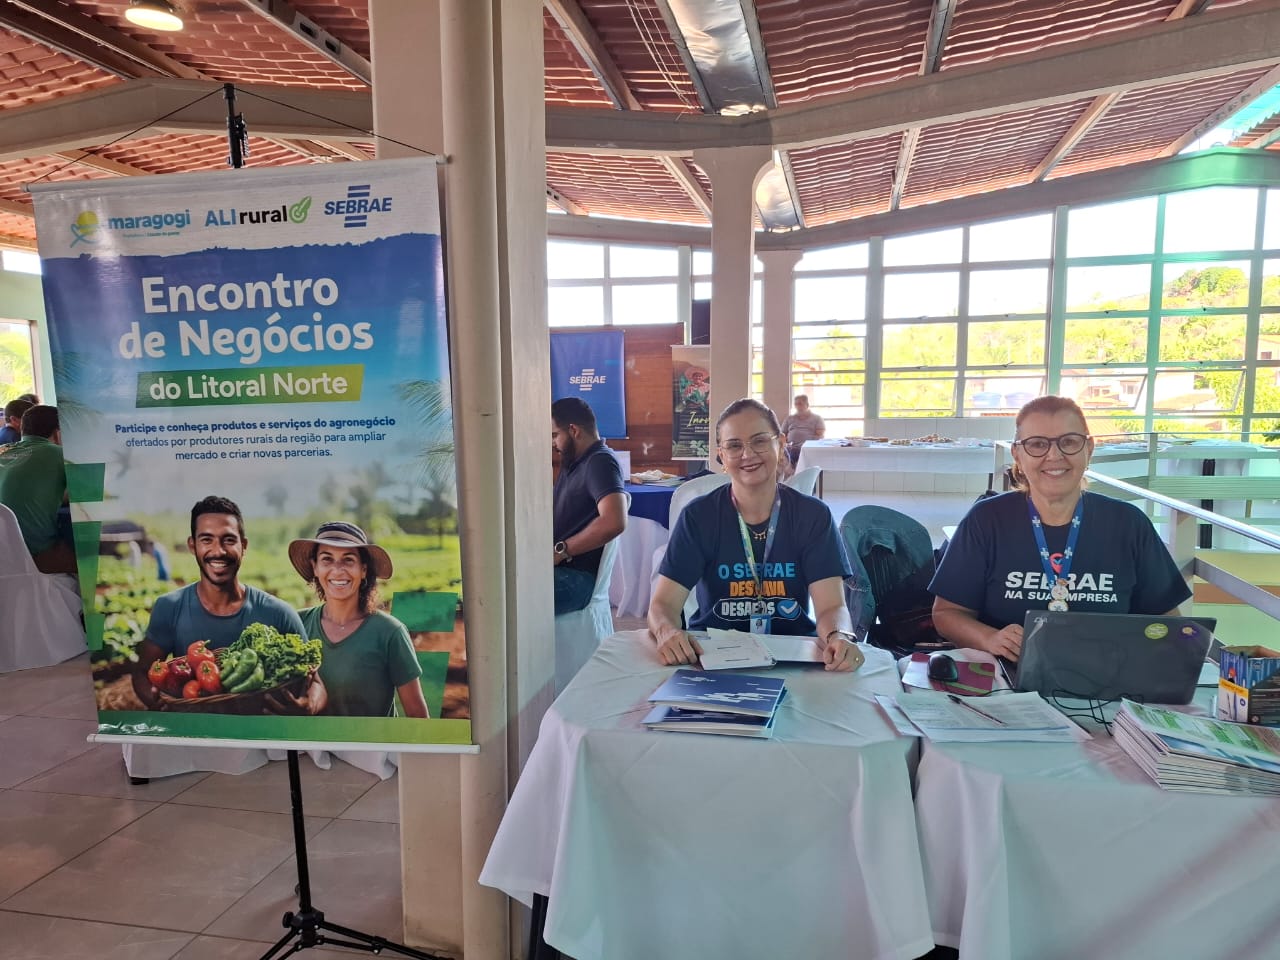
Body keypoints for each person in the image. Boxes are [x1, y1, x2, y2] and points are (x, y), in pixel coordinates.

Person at [930, 395, 1191, 661]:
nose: (1054, 455)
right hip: (1007, 676)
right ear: (1017, 454)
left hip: (1107, 676)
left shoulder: (1128, 524)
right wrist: (991, 639)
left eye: (1069, 442)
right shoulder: (987, 520)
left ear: (1089, 449)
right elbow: (947, 613)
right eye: (1037, 444)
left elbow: (1167, 622)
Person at [648, 397, 863, 672]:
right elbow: (663, 604)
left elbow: (831, 606)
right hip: (710, 656)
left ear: (781, 444)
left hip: (792, 655)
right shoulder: (699, 516)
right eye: (734, 445)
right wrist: (667, 632)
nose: (747, 454)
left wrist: (839, 636)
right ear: (721, 456)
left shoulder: (812, 516)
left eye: (759, 441)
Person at [131, 495, 308, 707]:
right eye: (207, 540)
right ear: (192, 545)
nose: (218, 551)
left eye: (229, 540)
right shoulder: (169, 607)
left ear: (243, 545)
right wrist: (158, 706)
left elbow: (314, 680)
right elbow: (142, 673)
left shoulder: (280, 613)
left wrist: (309, 705)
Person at [288, 521, 428, 718]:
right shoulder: (296, 624)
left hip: (373, 739)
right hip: (310, 739)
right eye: (327, 559)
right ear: (315, 567)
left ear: (363, 570)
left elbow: (418, 717)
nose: (337, 570)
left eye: (348, 560)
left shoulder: (390, 633)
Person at [552, 396, 628, 614]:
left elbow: (614, 521)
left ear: (574, 430)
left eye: (555, 435)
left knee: (496, 592)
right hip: (563, 572)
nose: (553, 443)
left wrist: (561, 551)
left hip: (576, 578)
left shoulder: (600, 462)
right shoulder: (575, 461)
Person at [0, 404, 76, 574]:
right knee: (99, 556)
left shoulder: (3, 450)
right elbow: (94, 493)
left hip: (4, 557)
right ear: (58, 433)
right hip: (36, 556)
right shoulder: (60, 454)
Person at [780, 395, 825, 465]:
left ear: (807, 405)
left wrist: (807, 444)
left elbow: (820, 434)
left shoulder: (817, 418)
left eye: (800, 404)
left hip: (808, 448)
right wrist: (785, 444)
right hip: (791, 448)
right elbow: (782, 434)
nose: (798, 406)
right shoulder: (789, 418)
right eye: (796, 404)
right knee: (785, 457)